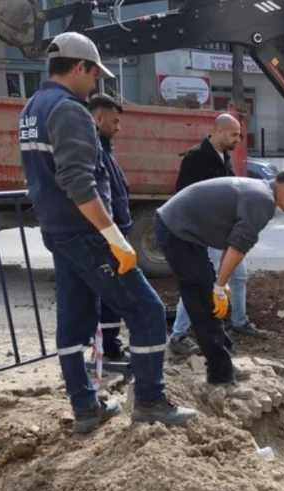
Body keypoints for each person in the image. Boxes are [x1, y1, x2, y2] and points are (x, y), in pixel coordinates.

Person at [19, 31, 197, 433]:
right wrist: (114, 238)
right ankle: (151, 401)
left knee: (74, 316)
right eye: (94, 74)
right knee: (147, 310)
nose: (94, 83)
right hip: (86, 233)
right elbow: (78, 181)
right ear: (80, 67)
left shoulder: (32, 107)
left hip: (59, 231)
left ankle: (86, 407)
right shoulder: (69, 109)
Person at [153, 169, 284, 386]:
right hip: (177, 230)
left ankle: (224, 362)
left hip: (182, 230)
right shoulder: (263, 200)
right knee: (202, 300)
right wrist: (219, 286)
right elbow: (237, 247)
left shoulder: (260, 190)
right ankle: (220, 376)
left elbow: (231, 241)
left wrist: (220, 283)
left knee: (205, 293)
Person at [167, 113, 268, 357]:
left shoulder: (223, 156)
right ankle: (178, 335)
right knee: (199, 283)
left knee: (239, 275)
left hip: (222, 231)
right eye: (234, 134)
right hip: (204, 233)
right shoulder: (195, 158)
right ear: (219, 131)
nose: (237, 139)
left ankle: (240, 321)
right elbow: (183, 196)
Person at [88, 93, 130, 363]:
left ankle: (109, 345)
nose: (118, 127)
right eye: (114, 121)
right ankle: (108, 348)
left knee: (113, 296)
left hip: (116, 233)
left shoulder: (103, 148)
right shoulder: (94, 149)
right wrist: (112, 235)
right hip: (108, 237)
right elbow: (101, 198)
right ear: (99, 118)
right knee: (110, 296)